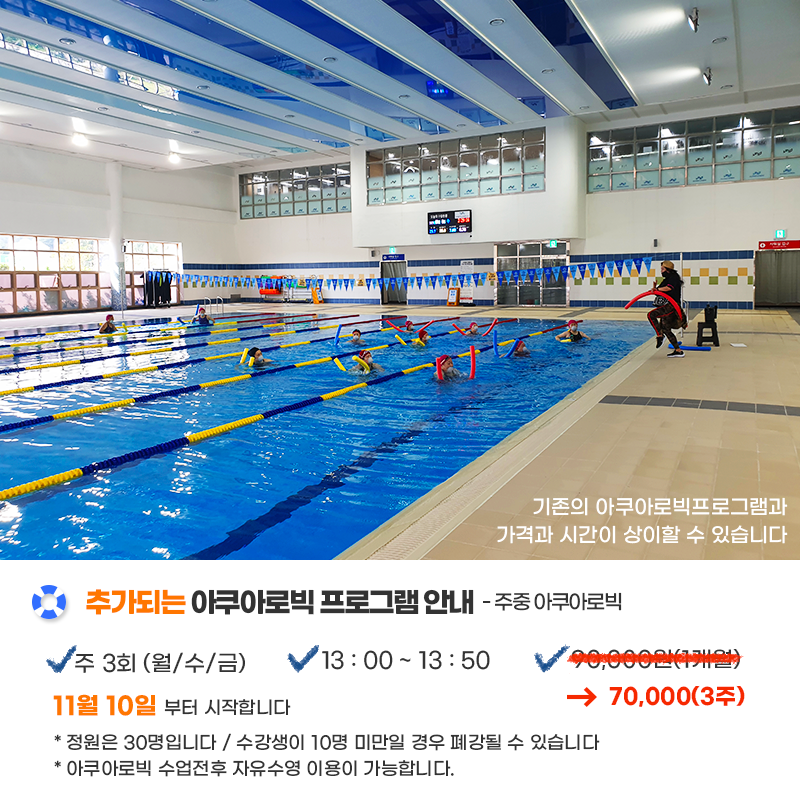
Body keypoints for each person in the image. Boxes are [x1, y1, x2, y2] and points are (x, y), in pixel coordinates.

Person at [648, 260, 687, 358]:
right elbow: (660, 291)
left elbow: (669, 288)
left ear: (668, 269)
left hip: (672, 305)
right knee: (666, 328)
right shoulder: (666, 279)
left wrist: (657, 289)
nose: (661, 271)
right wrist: (655, 289)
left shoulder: (674, 277)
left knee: (651, 315)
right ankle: (678, 350)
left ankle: (659, 335)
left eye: (662, 269)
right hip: (667, 305)